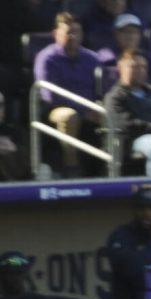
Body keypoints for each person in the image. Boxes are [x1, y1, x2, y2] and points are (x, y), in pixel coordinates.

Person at [33, 13, 102, 177]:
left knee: (112, 113)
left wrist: (100, 106)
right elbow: (49, 96)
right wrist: (84, 110)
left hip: (90, 109)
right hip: (55, 110)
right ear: (56, 33)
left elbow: (103, 90)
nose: (72, 36)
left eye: (76, 32)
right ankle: (72, 167)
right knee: (69, 116)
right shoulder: (46, 58)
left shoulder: (92, 58)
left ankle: (112, 165)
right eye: (68, 32)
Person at [103, 49, 151, 176]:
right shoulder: (114, 97)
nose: (140, 70)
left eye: (143, 67)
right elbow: (126, 124)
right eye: (134, 66)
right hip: (136, 138)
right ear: (120, 68)